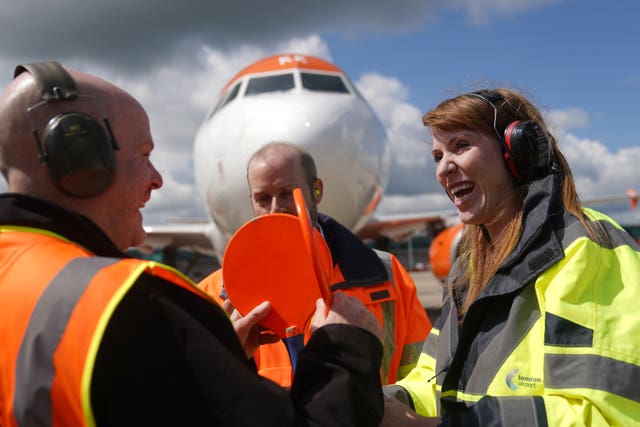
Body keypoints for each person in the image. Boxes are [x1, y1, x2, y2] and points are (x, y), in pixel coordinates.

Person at [0, 61, 386, 426]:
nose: (157, 180)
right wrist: (344, 352)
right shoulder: (136, 302)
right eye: (145, 154)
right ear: (81, 159)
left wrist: (225, 362)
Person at [381, 88, 640, 426]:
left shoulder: (583, 247)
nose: (444, 168)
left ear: (517, 151)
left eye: (460, 146)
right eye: (437, 156)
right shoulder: (469, 266)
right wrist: (373, 404)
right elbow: (433, 381)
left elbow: (602, 415)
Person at [199, 141, 431, 387]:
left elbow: (424, 376)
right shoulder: (215, 292)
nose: (276, 208)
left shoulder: (387, 273)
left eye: (287, 192)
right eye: (263, 198)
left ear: (316, 191)